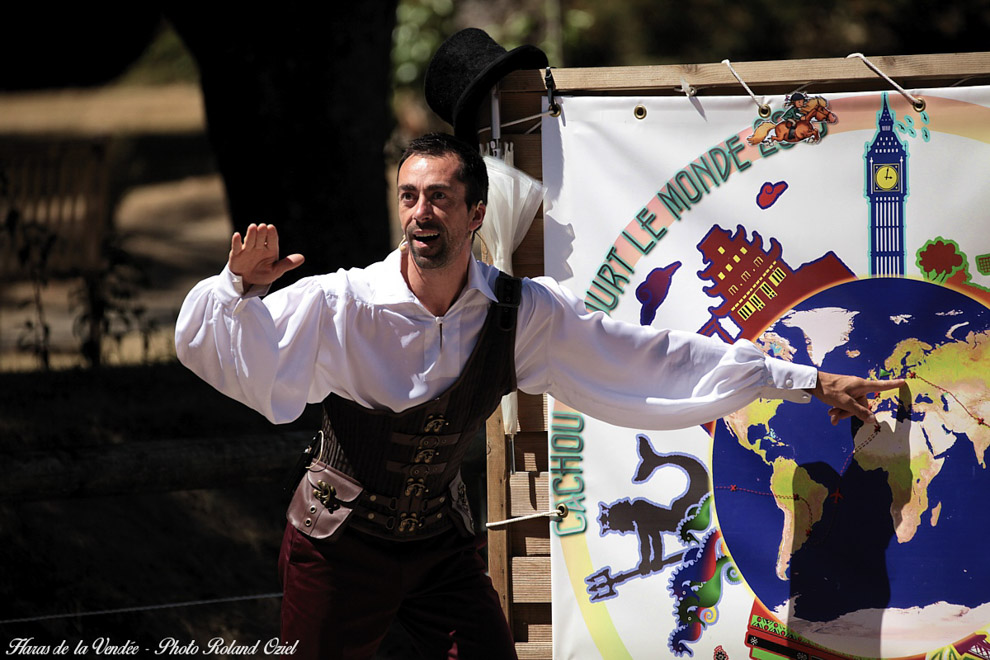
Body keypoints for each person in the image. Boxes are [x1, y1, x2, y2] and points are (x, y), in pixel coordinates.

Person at [175, 132, 904, 659]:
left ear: (473, 214)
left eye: (438, 197)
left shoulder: (521, 312)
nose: (420, 212)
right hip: (338, 547)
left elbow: (649, 356)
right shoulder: (343, 304)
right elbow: (232, 353)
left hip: (435, 546)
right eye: (409, 197)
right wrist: (236, 288)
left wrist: (807, 380)